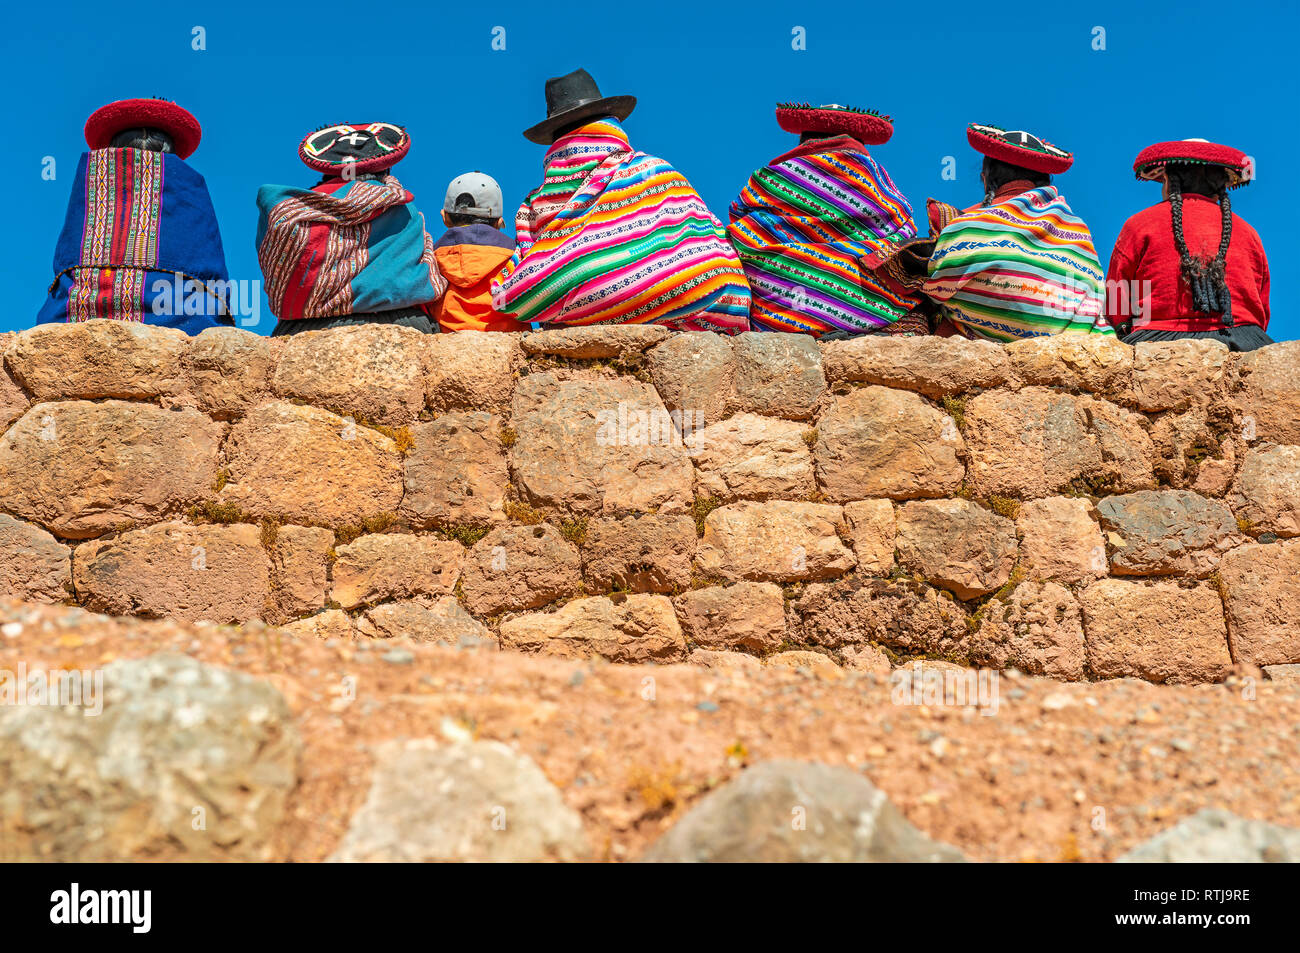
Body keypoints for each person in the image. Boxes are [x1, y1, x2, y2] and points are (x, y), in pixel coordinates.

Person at [492, 68, 750, 333]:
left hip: (588, 313)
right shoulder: (655, 169)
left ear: (557, 142)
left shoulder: (537, 203)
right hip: (705, 298)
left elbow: (521, 288)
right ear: (610, 125)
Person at [728, 103, 927, 337]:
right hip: (872, 313)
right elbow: (905, 232)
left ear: (804, 142)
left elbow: (740, 219)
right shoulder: (876, 184)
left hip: (781, 320)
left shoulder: (774, 180)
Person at [38, 98, 234, 333]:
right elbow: (208, 272)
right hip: (177, 316)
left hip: (75, 316)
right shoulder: (190, 188)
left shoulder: (90, 183)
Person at [922, 123, 1113, 341]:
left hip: (984, 345)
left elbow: (938, 286)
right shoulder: (1078, 230)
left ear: (986, 179)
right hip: (1073, 342)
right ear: (1046, 182)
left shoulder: (968, 226)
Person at [255, 122, 446, 336]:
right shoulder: (402, 208)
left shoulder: (285, 212)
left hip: (302, 328)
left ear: (327, 170)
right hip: (400, 324)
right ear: (385, 168)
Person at [1107, 139, 1270, 350]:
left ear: (1167, 179)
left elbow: (1117, 300)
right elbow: (1262, 308)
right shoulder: (1249, 233)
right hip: (1243, 341)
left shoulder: (1139, 224)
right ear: (1221, 185)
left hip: (1156, 340)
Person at [433, 172, 518, 332]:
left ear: (445, 218)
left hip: (446, 338)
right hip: (508, 336)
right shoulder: (516, 255)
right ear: (499, 222)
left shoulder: (431, 257)